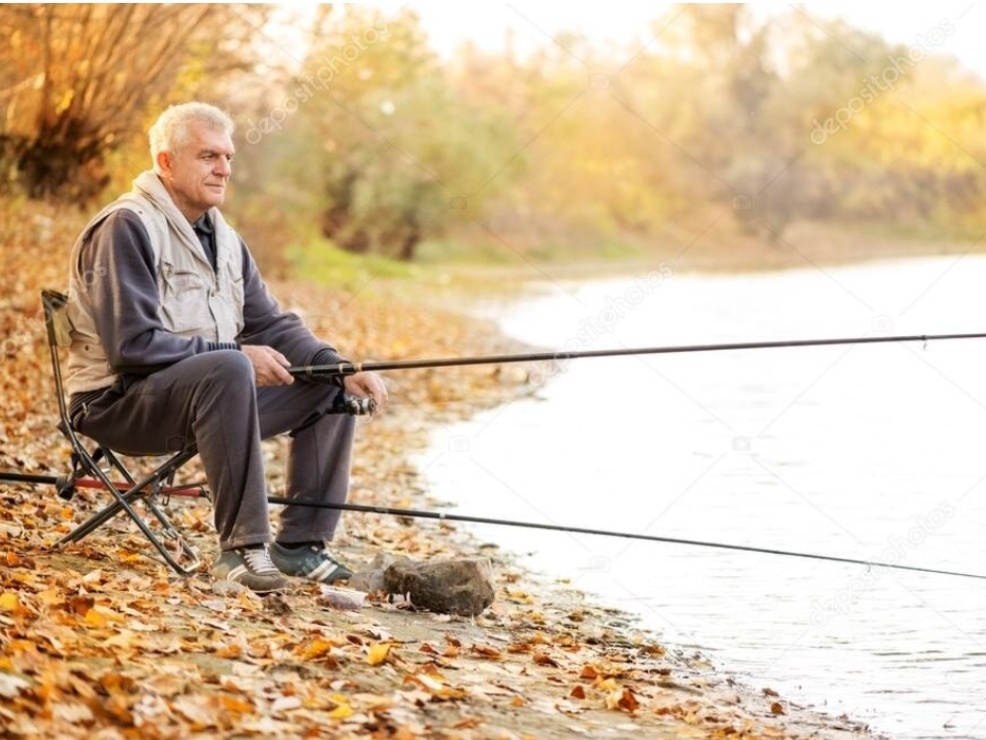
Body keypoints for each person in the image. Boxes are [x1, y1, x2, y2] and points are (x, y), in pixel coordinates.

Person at [64, 102, 388, 593]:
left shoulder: (228, 240)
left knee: (325, 386)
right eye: (208, 156)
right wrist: (236, 356)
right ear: (166, 162)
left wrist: (338, 368)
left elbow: (271, 324)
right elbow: (132, 346)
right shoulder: (126, 226)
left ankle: (300, 548)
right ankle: (240, 551)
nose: (223, 168)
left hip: (207, 400)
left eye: (228, 157)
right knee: (230, 365)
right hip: (117, 403)